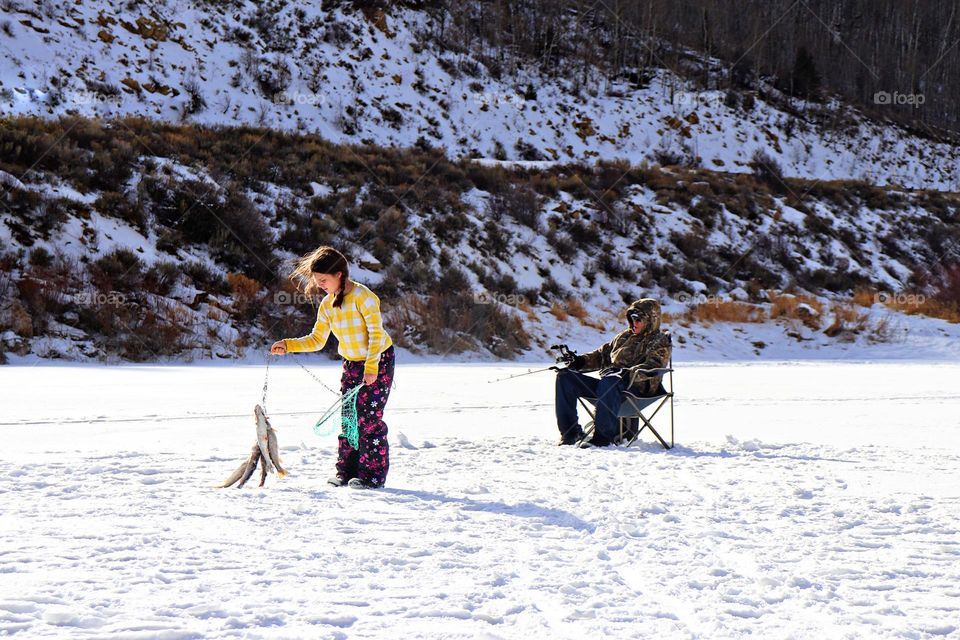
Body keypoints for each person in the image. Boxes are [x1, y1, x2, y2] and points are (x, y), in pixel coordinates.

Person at [271, 246, 395, 488]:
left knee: (368, 419)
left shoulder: (364, 297)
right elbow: (317, 340)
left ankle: (372, 476)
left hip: (378, 360)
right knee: (348, 418)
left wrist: (371, 367)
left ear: (339, 274)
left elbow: (376, 335)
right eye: (317, 281)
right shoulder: (328, 305)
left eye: (324, 280)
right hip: (351, 364)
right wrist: (288, 345)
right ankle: (346, 472)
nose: (320, 285)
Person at [555, 298, 671, 447]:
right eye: (631, 318)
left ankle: (602, 439)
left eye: (638, 319)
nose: (634, 323)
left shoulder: (659, 340)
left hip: (636, 391)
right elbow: (601, 355)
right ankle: (571, 433)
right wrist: (578, 361)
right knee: (565, 377)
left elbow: (653, 366)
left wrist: (625, 373)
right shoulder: (624, 337)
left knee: (610, 380)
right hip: (609, 387)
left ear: (650, 320)